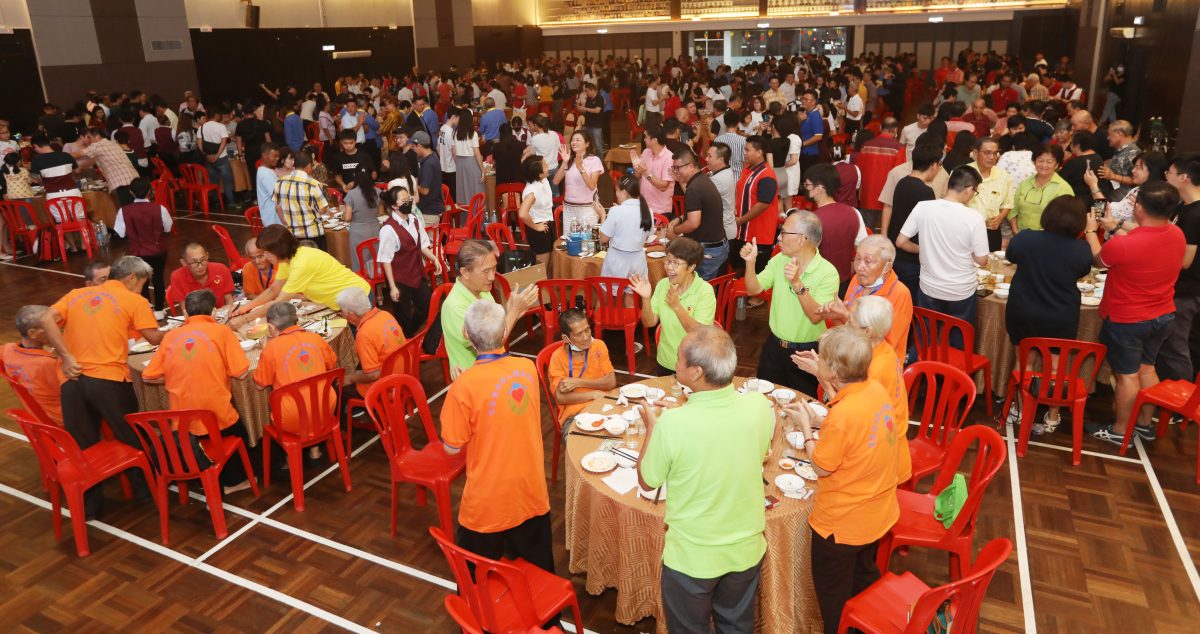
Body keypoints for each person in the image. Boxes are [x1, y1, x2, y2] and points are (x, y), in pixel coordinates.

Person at [635, 326, 773, 633]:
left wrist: (651, 429)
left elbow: (647, 481)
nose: (675, 363)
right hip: (745, 551)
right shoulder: (759, 405)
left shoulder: (672, 424)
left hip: (692, 558)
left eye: (679, 359)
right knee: (736, 625)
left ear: (696, 372)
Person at [783, 327, 910, 634]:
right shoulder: (874, 391)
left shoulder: (843, 415)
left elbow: (822, 467)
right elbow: (860, 430)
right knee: (864, 580)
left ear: (835, 372)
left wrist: (808, 429)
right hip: (877, 513)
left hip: (842, 527)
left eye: (823, 359)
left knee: (834, 601)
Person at [38, 256, 164, 515]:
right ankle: (147, 493)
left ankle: (91, 507)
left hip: (71, 382)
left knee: (83, 446)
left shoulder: (75, 295)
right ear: (131, 278)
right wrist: (181, 330)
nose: (143, 290)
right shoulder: (134, 300)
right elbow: (153, 337)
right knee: (132, 436)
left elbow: (45, 319)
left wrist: (66, 355)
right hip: (109, 381)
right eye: (142, 284)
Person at [441, 301, 555, 577]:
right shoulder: (527, 369)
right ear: (504, 330)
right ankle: (547, 621)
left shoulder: (463, 388)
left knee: (474, 583)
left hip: (487, 501)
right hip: (530, 490)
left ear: (466, 335)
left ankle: (477, 621)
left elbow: (451, 446)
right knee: (541, 577)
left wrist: (460, 386)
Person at [1081, 182, 1184, 445]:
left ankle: (1119, 430)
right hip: (1163, 315)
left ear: (1138, 207)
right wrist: (1113, 226)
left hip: (1128, 318)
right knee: (1147, 368)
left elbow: (1098, 260)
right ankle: (1144, 425)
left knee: (1127, 375)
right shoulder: (1177, 235)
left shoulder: (1125, 245)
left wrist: (1093, 232)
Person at [141, 289, 253, 492]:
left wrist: (175, 377)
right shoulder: (222, 331)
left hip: (183, 420)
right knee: (242, 433)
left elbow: (148, 375)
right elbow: (242, 374)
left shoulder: (171, 337)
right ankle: (234, 481)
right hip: (216, 414)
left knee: (204, 433)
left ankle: (202, 472)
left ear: (186, 314)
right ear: (213, 312)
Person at [1001, 196, 1093, 433]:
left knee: (1024, 363)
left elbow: (1010, 256)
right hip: (1060, 314)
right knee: (1055, 370)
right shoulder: (1081, 249)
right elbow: (1084, 270)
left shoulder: (1026, 238)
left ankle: (1021, 411)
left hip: (1024, 310)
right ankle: (1052, 416)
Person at [741, 210, 840, 396]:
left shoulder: (828, 272)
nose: (778, 237)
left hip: (806, 353)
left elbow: (815, 316)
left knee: (802, 403)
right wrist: (750, 263)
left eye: (784, 232)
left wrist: (797, 283)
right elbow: (753, 290)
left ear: (802, 239)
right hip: (773, 346)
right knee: (765, 400)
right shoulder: (780, 259)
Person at [897, 166, 990, 330]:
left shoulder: (922, 207)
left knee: (927, 336)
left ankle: (924, 356)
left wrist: (924, 249)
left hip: (929, 287)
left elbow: (901, 241)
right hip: (960, 290)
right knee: (958, 339)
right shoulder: (974, 218)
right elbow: (982, 260)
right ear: (969, 190)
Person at [229, 225, 369, 329]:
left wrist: (244, 320)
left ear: (278, 250)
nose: (265, 257)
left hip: (356, 299)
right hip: (339, 302)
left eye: (266, 253)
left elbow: (278, 301)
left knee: (364, 343)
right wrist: (245, 308)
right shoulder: (286, 259)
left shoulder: (301, 264)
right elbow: (273, 290)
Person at [440, 240, 539, 378]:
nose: (492, 277)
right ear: (465, 272)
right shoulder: (454, 306)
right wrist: (513, 312)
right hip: (474, 382)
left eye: (494, 268)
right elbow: (491, 342)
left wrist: (509, 310)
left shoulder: (482, 290)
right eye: (486, 271)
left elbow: (493, 327)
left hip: (493, 372)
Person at [816, 235, 913, 361]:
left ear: (887, 267)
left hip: (876, 366)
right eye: (857, 259)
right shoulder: (857, 280)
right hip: (848, 356)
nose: (860, 267)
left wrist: (846, 317)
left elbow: (886, 346)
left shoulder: (900, 294)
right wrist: (834, 317)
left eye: (868, 262)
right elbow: (845, 328)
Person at [631, 238, 717, 376]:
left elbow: (699, 334)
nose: (669, 267)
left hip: (694, 365)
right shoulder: (662, 285)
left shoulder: (705, 291)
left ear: (691, 267)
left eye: (676, 263)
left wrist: (676, 306)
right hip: (665, 361)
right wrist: (645, 298)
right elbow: (649, 322)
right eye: (668, 261)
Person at [252, 301, 339, 436]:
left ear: (271, 326)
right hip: (326, 407)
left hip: (291, 418)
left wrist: (265, 350)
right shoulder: (315, 338)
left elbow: (259, 386)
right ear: (296, 320)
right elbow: (331, 365)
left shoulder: (271, 348)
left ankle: (291, 455)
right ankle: (314, 450)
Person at [1156, 155, 1200, 384]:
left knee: (1176, 348)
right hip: (1183, 289)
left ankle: (1179, 406)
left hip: (1186, 291)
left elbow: (1185, 261)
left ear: (1184, 178)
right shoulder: (1184, 207)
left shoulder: (1194, 214)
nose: (1166, 175)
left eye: (1170, 172)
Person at [377, 184, 441, 336]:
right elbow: (385, 260)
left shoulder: (414, 219)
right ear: (393, 206)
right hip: (400, 279)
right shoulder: (388, 229)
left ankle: (411, 338)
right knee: (403, 317)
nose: (408, 203)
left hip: (417, 274)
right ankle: (406, 346)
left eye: (409, 199)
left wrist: (434, 258)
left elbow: (422, 244)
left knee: (428, 307)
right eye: (403, 200)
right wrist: (392, 287)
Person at [804, 164, 868, 295]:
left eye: (808, 185)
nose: (805, 188)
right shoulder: (854, 212)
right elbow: (864, 246)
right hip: (843, 280)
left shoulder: (811, 219)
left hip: (815, 283)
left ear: (820, 188)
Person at [546, 309, 617, 428]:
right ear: (566, 338)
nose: (586, 337)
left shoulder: (599, 346)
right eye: (579, 334)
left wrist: (578, 382)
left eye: (587, 330)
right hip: (575, 414)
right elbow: (561, 397)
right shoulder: (557, 358)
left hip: (604, 404)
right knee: (580, 444)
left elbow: (611, 382)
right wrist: (593, 394)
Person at [666, 146, 728, 279]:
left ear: (691, 166)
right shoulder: (702, 180)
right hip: (716, 245)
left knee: (698, 291)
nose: (675, 171)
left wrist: (675, 231)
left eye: (678, 167)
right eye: (673, 168)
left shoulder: (694, 188)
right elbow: (701, 211)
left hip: (708, 250)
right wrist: (680, 219)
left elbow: (693, 223)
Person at [113, 177, 172, 311]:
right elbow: (168, 228)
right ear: (150, 192)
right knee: (158, 280)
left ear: (131, 192)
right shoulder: (160, 208)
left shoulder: (124, 211)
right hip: (158, 250)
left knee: (141, 282)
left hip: (138, 252)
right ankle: (159, 310)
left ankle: (146, 308)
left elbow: (120, 233)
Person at [2, 305, 67, 425]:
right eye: (50, 326)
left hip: (38, 415)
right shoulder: (47, 363)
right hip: (65, 419)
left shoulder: (7, 350)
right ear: (32, 333)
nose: (57, 330)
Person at [337, 287, 405, 397]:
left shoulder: (364, 334)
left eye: (341, 311)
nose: (342, 314)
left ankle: (369, 410)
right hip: (403, 372)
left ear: (350, 314)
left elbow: (373, 375)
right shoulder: (385, 314)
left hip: (386, 385)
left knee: (339, 388)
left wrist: (350, 378)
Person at [1085, 151, 1169, 239]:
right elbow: (1103, 213)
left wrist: (1093, 186)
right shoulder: (1137, 189)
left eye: (1139, 168)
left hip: (1123, 244)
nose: (1133, 170)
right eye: (1134, 167)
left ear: (1153, 171)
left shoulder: (1149, 198)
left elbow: (1104, 213)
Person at [735, 136, 780, 274]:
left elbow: (763, 204)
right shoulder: (748, 169)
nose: (745, 153)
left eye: (748, 150)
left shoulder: (767, 175)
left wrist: (740, 220)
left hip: (759, 235)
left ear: (759, 152)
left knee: (756, 274)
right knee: (739, 270)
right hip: (743, 232)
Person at [272, 150, 334, 249]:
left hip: (293, 234)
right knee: (317, 262)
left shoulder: (280, 181)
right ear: (309, 165)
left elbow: (278, 206)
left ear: (294, 164)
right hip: (313, 233)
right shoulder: (313, 184)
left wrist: (286, 223)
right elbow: (322, 209)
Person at [598, 174, 654, 281]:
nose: (616, 194)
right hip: (638, 261)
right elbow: (648, 236)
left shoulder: (616, 211)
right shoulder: (648, 211)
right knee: (631, 294)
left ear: (623, 192)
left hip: (617, 262)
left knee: (612, 295)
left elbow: (603, 239)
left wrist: (602, 216)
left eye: (617, 191)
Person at [1010, 144, 1073, 233]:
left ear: (1056, 165)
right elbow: (1013, 210)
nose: (1044, 165)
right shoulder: (1024, 184)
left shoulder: (1064, 189)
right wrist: (1016, 233)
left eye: (1049, 162)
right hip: (1021, 237)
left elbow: (1065, 220)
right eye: (1040, 160)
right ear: (1034, 162)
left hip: (1049, 240)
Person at [966, 137, 1014, 251]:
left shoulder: (1004, 176)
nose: (992, 157)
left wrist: (1000, 218)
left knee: (989, 264)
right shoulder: (963, 172)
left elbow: (1008, 203)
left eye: (995, 153)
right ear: (976, 152)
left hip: (991, 230)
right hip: (966, 229)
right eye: (987, 153)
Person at [553, 131, 604, 232]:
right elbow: (556, 181)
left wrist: (580, 167)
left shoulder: (594, 160)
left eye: (578, 140)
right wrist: (564, 162)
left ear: (587, 144)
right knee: (569, 241)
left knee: (586, 242)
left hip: (587, 209)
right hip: (569, 208)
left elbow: (592, 185)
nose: (574, 142)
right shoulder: (569, 159)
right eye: (572, 140)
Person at [76, 127, 139, 204]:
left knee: (128, 208)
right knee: (136, 205)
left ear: (97, 137)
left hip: (123, 182)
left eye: (89, 137)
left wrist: (61, 156)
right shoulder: (112, 143)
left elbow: (77, 154)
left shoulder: (98, 145)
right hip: (133, 178)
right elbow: (87, 163)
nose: (88, 140)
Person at [168, 242, 235, 308]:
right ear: (184, 262)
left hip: (221, 313)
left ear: (207, 256)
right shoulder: (177, 277)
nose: (200, 266)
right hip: (196, 316)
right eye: (194, 262)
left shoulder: (221, 269)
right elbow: (185, 310)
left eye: (203, 259)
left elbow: (229, 301)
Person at [517, 155, 556, 268]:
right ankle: (539, 286)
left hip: (547, 224)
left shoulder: (543, 180)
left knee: (550, 264)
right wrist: (536, 227)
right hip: (538, 230)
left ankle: (547, 285)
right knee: (542, 268)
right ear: (539, 174)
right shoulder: (531, 191)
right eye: (545, 166)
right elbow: (522, 213)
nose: (548, 166)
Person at [343, 170, 381, 274]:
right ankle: (376, 282)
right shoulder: (377, 191)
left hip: (358, 232)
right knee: (375, 259)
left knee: (358, 262)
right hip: (375, 229)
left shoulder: (352, 194)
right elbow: (381, 212)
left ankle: (362, 284)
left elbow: (347, 217)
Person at [632, 126, 675, 216]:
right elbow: (638, 177)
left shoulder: (669, 158)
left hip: (660, 210)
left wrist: (645, 173)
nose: (644, 140)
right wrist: (636, 168)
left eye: (646, 137)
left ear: (654, 140)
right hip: (643, 206)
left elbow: (663, 186)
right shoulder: (646, 152)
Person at [1098, 120, 1138, 202]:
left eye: (1109, 135)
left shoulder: (1133, 153)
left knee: (1098, 212)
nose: (1107, 137)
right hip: (1110, 197)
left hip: (1121, 202)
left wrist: (1113, 176)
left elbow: (1136, 180)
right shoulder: (1121, 150)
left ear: (1119, 133)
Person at [705, 142, 737, 243]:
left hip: (722, 232)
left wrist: (682, 181)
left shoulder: (719, 179)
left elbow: (696, 198)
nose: (706, 159)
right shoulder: (727, 171)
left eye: (710, 156)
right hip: (726, 228)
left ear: (721, 159)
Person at [453, 109, 485, 207]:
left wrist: (458, 163)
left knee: (462, 192)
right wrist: (483, 170)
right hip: (471, 162)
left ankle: (466, 218)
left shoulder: (455, 132)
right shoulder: (473, 133)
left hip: (459, 163)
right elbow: (477, 153)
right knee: (476, 190)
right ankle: (477, 217)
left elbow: (454, 152)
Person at [255, 142, 282, 226]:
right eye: (274, 156)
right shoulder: (266, 174)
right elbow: (278, 197)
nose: (277, 159)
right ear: (264, 155)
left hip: (273, 218)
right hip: (274, 220)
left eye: (278, 156)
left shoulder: (266, 170)